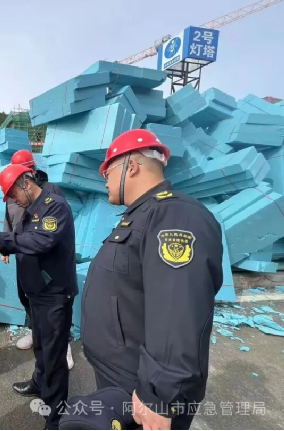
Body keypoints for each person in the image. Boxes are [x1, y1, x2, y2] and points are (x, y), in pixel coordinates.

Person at [79, 129, 223, 431]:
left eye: (107, 172)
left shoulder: (174, 215)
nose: (104, 180)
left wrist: (158, 395)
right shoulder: (141, 215)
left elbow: (178, 309)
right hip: (123, 376)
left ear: (131, 166)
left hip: (143, 392)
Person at [0, 164, 78, 431]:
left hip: (54, 296)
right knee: (41, 348)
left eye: (13, 194)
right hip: (38, 294)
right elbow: (21, 238)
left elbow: (40, 241)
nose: (14, 200)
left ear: (26, 183)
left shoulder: (54, 206)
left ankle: (56, 420)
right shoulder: (31, 210)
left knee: (54, 358)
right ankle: (39, 384)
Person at [3, 150, 73, 369]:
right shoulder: (17, 197)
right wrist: (2, 245)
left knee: (54, 332)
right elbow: (11, 225)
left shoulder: (52, 197)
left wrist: (0, 239)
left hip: (49, 276)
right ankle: (38, 338)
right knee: (29, 303)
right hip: (26, 264)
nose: (15, 200)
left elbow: (43, 239)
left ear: (29, 175)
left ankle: (63, 345)